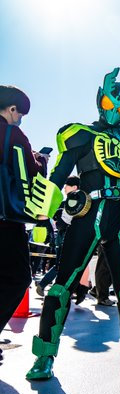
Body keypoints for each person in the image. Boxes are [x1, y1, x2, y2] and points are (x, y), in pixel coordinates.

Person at [25, 68, 120, 381]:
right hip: (87, 215)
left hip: (119, 219)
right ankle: (44, 355)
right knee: (63, 284)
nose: (115, 111)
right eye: (109, 103)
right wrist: (41, 218)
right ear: (99, 99)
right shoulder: (82, 135)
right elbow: (58, 176)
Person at [0, 85, 48, 363]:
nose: (19, 119)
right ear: (11, 109)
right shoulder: (13, 135)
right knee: (19, 277)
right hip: (6, 220)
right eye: (20, 114)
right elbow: (32, 173)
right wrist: (41, 161)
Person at [36, 176, 80, 296]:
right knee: (63, 266)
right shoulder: (74, 201)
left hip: (63, 237)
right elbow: (62, 223)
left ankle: (50, 286)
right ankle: (47, 286)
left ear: (74, 187)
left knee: (62, 265)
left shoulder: (68, 201)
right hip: (68, 237)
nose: (64, 188)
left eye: (67, 185)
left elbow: (58, 221)